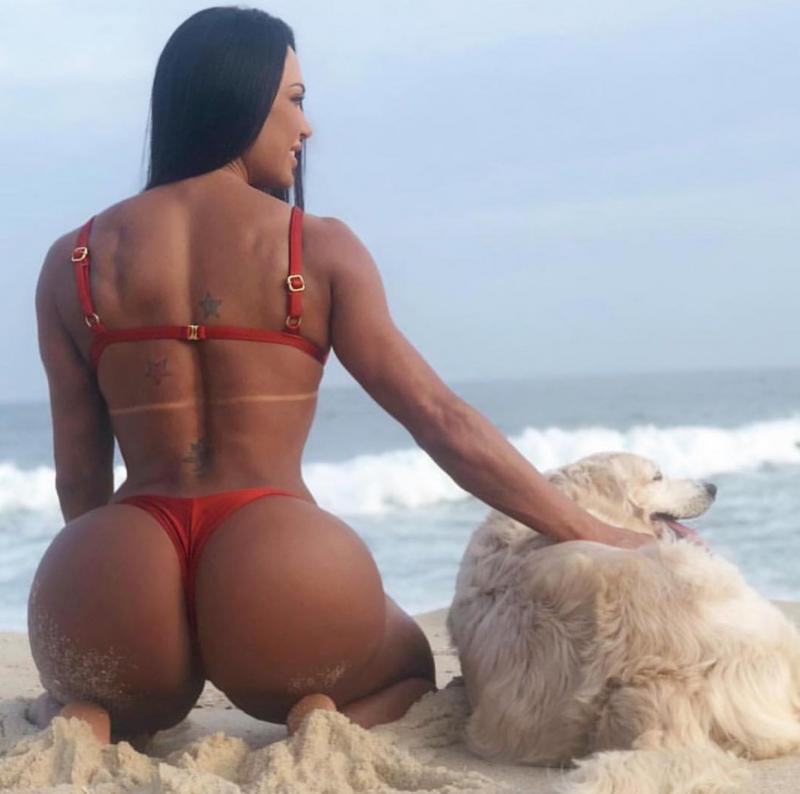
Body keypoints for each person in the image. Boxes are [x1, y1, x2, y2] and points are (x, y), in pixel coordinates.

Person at [27, 6, 652, 747]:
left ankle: (94, 717)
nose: (306, 127)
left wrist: (108, 592)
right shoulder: (316, 249)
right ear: (241, 100)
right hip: (280, 569)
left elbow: (80, 477)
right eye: (294, 100)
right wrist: (592, 532)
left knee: (106, 694)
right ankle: (320, 720)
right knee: (407, 665)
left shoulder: (74, 260)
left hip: (117, 562)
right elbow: (439, 420)